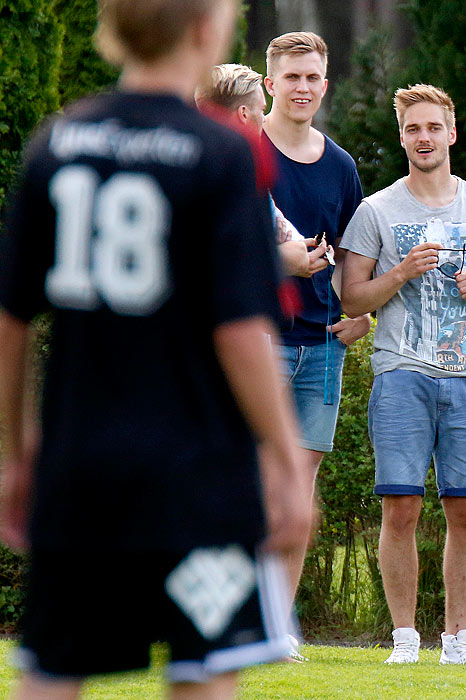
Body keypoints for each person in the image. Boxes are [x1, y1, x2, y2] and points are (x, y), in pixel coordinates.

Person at [0, 0, 313, 698]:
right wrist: (287, 462)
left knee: (53, 669)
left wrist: (17, 453)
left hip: (80, 468)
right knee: (202, 672)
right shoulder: (221, 151)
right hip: (197, 474)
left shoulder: (60, 140)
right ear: (208, 30)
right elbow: (239, 331)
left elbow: (11, 320)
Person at [339, 84, 466, 665]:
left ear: (452, 132)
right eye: (413, 129)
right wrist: (399, 273)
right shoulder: (377, 209)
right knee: (401, 507)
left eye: (433, 127)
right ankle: (403, 640)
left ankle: (458, 641)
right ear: (402, 137)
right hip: (401, 374)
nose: (424, 137)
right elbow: (351, 299)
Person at [261, 31, 371, 603]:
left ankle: (278, 626)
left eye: (312, 78)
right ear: (269, 83)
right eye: (291, 77)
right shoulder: (241, 154)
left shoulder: (342, 166)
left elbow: (354, 263)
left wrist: (363, 316)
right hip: (258, 340)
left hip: (323, 349)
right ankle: (233, 621)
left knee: (299, 488)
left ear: (324, 86)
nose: (302, 88)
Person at [195, 62, 329, 271]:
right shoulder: (227, 176)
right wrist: (282, 260)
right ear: (244, 115)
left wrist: (301, 254)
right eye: (261, 110)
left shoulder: (183, 166)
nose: (264, 119)